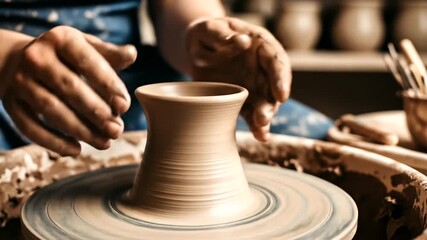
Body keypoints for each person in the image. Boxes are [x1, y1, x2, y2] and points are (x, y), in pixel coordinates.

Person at [0, 0, 332, 156]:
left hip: (126, 81)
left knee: (328, 146)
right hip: (6, 75)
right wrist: (10, 59)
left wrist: (207, 44)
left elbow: (178, 5)